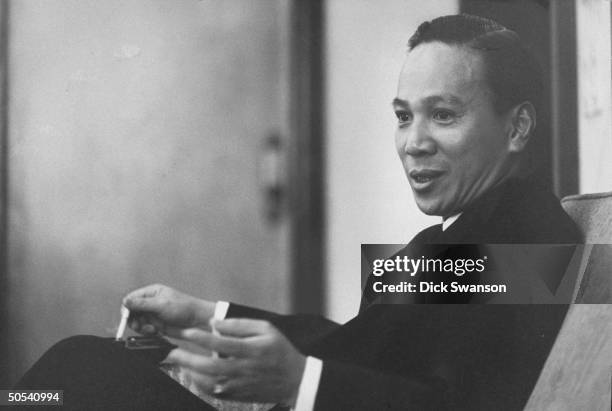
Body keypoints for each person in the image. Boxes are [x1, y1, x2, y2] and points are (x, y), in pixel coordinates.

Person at [15, 14, 581, 410]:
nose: (414, 142)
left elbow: (467, 405)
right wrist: (205, 317)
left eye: (444, 115)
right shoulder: (463, 234)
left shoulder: (531, 243)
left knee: (73, 374)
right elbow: (358, 343)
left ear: (518, 127)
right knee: (66, 379)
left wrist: (300, 380)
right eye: (404, 116)